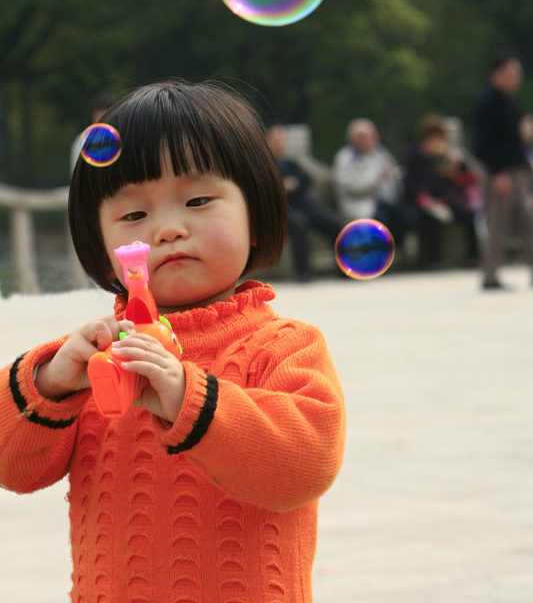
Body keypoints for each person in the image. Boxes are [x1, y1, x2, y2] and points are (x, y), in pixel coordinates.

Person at [0, 81, 346, 603]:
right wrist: (49, 381)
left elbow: (305, 466)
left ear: (256, 214)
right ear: (99, 248)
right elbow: (14, 468)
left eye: (198, 200)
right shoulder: (93, 359)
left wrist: (189, 398)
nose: (166, 230)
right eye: (134, 215)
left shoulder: (284, 346)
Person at [473, 50, 533, 289]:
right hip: (498, 173)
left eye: (516, 74)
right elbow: (483, 144)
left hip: (517, 172)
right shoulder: (488, 102)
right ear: (495, 74)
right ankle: (491, 275)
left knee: (528, 223)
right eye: (509, 73)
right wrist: (497, 172)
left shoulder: (510, 102)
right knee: (497, 226)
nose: (514, 78)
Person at [266, 124, 343, 282]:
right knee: (300, 225)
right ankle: (303, 273)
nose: (279, 144)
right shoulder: (262, 165)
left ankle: (343, 269)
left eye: (282, 140)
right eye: (275, 140)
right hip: (281, 211)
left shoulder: (291, 164)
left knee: (334, 224)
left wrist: (293, 182)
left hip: (303, 205)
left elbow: (306, 178)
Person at [403, 114, 480, 268]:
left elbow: (464, 173)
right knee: (431, 219)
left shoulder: (446, 154)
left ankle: (473, 257)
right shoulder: (414, 155)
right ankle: (434, 260)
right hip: (422, 201)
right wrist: (424, 198)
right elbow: (411, 182)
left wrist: (455, 160)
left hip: (444, 198)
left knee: (468, 215)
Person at [332, 118, 416, 248]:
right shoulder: (345, 158)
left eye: (372, 136)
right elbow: (351, 187)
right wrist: (377, 178)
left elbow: (393, 172)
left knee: (408, 216)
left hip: (387, 201)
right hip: (362, 203)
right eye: (364, 137)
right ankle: (382, 255)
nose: (370, 140)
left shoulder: (380, 153)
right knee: (382, 221)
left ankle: (394, 250)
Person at [70, 93, 118, 173]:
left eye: (106, 114)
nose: (102, 119)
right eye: (99, 114)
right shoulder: (83, 140)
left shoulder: (123, 138)